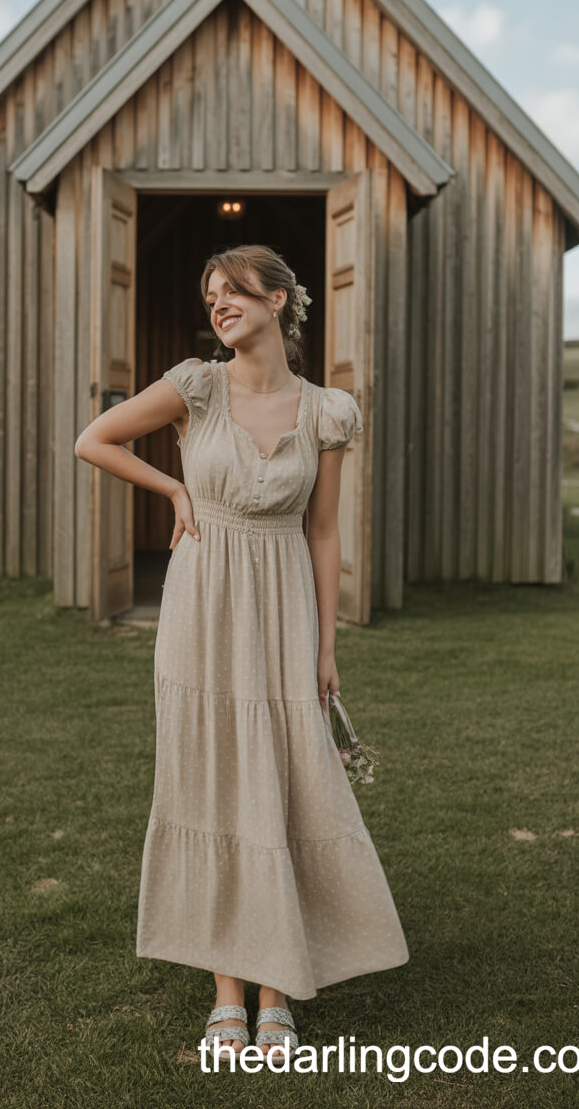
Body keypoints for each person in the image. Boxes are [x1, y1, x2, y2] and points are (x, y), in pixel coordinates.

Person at [74, 244, 408, 1066]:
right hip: (203, 605)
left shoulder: (327, 410)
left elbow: (322, 532)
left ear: (280, 299)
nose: (220, 304)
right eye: (211, 294)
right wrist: (176, 489)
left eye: (235, 291)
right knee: (217, 777)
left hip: (285, 605)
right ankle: (230, 988)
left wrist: (326, 646)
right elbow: (95, 440)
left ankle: (277, 987)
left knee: (288, 781)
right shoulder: (194, 385)